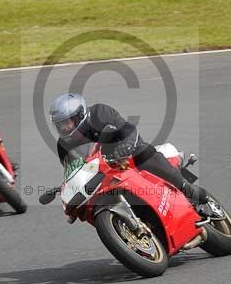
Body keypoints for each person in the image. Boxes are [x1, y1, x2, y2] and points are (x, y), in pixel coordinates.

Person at [48, 92, 221, 219]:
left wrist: (126, 146)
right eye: (60, 125)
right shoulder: (63, 145)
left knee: (142, 153)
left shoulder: (100, 113)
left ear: (79, 116)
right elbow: (72, 170)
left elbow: (127, 129)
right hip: (100, 173)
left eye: (66, 123)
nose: (63, 128)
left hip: (126, 153)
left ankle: (185, 187)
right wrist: (67, 187)